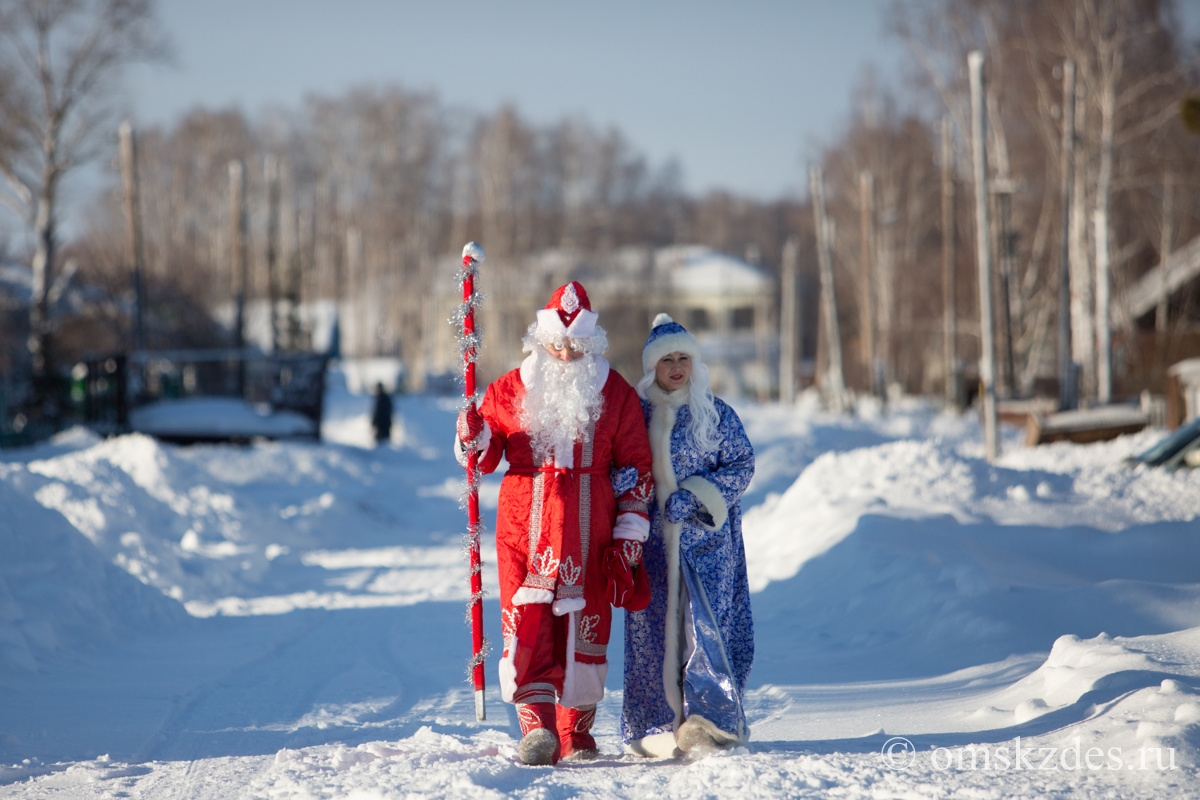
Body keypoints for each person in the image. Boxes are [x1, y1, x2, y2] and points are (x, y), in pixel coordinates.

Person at [455, 281, 654, 766]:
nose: (565, 354)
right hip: (525, 523)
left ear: (591, 345)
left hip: (593, 525)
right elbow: (483, 457)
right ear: (540, 341)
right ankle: (537, 729)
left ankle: (576, 731)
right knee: (530, 623)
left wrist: (629, 532)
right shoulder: (508, 389)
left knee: (587, 621)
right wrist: (473, 436)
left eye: (576, 345)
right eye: (557, 344)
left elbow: (637, 468)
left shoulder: (616, 392)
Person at [621, 313, 755, 757]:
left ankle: (708, 721)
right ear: (651, 367)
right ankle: (654, 724)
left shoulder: (714, 413)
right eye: (667, 360)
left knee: (705, 630)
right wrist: (621, 480)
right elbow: (615, 459)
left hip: (707, 546)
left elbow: (742, 466)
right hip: (653, 546)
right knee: (652, 632)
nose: (677, 367)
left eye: (684, 358)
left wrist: (697, 496)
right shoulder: (633, 413)